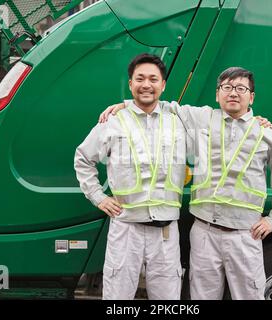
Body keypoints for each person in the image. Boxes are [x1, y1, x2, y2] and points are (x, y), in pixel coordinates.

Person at [100, 67, 272, 300]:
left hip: (245, 234)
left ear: (251, 97)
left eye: (241, 88)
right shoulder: (202, 117)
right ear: (217, 94)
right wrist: (126, 105)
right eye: (227, 87)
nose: (233, 93)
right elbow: (163, 105)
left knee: (250, 296)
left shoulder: (266, 133)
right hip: (204, 231)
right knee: (202, 296)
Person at [74, 53, 187, 300]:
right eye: (140, 79)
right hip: (126, 228)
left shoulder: (178, 122)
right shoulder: (113, 121)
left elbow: (220, 118)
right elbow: (83, 158)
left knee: (167, 300)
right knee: (117, 298)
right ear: (130, 83)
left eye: (153, 79)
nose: (146, 84)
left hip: (166, 232)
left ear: (163, 84)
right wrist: (98, 197)